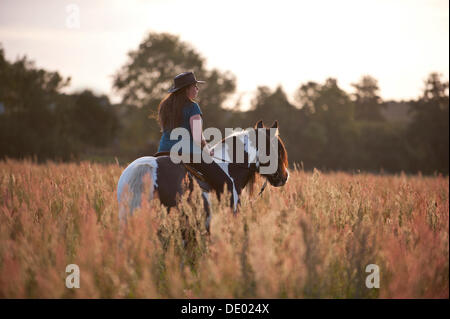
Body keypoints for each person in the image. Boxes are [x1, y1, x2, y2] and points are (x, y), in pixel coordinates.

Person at [156, 71, 237, 209]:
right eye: (195, 86)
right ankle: (228, 220)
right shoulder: (193, 107)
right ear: (187, 88)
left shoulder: (165, 106)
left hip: (163, 151)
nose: (197, 89)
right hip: (187, 154)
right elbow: (198, 136)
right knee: (226, 184)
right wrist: (207, 150)